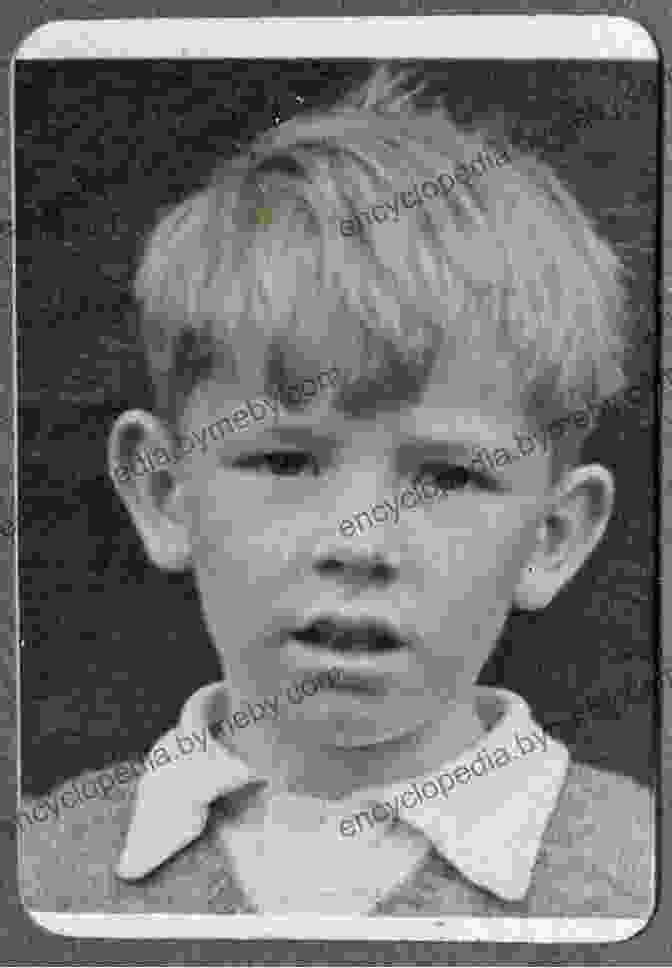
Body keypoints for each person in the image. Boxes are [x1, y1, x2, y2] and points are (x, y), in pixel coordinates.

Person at [20, 65, 653, 919]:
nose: (361, 542)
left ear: (553, 536)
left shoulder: (638, 871)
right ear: (167, 493)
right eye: (285, 463)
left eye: (450, 476)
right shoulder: (44, 872)